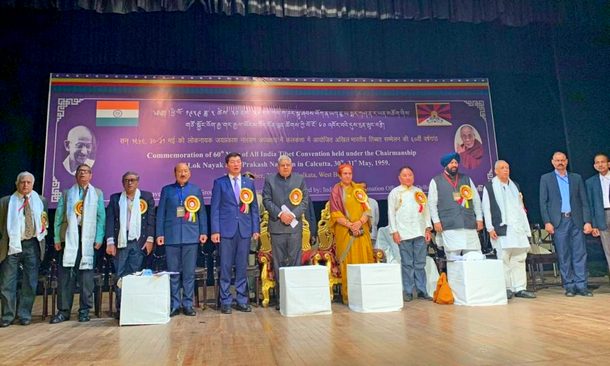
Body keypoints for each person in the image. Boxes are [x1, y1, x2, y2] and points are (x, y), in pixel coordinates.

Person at [50, 164, 105, 323]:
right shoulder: (67, 193)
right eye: (80, 172)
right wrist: (56, 238)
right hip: (68, 237)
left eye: (86, 172)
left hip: (88, 238)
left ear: (91, 175)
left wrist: (99, 238)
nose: (83, 174)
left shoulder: (98, 193)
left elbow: (101, 217)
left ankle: (84, 310)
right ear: (76, 176)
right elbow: (59, 217)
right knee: (66, 275)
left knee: (86, 276)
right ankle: (63, 311)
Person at [211, 153, 260, 314]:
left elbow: (253, 209)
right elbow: (215, 208)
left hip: (244, 230)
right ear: (227, 165)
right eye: (232, 162)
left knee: (241, 266)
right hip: (226, 230)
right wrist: (215, 230)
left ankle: (241, 299)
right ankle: (225, 300)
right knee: (225, 266)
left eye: (238, 161)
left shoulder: (248, 183)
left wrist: (255, 229)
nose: (236, 164)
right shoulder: (219, 183)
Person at [156, 162, 208, 317]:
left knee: (189, 273)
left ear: (189, 173)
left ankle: (188, 304)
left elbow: (202, 213)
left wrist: (203, 231)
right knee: (173, 273)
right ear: (175, 173)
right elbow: (161, 214)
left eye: (185, 171)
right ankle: (174, 304)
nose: (183, 174)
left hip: (191, 236)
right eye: (180, 171)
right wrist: (159, 234)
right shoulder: (167, 190)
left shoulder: (196, 190)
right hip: (171, 237)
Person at [540, 151, 593, 297]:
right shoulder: (546, 179)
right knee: (564, 254)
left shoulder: (576, 178)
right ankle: (569, 286)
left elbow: (584, 202)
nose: (560, 162)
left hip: (576, 220)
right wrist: (547, 222)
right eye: (557, 160)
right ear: (552, 162)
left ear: (567, 161)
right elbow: (543, 203)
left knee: (580, 253)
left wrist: (587, 221)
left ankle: (581, 285)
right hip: (559, 221)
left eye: (562, 160)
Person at [482, 160, 536, 299]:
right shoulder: (489, 187)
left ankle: (520, 288)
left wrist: (525, 227)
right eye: (502, 168)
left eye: (507, 167)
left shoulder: (514, 186)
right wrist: (490, 228)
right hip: (501, 228)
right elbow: (486, 209)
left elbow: (520, 207)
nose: (506, 170)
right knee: (504, 258)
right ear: (496, 171)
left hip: (517, 228)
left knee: (519, 258)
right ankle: (507, 288)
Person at [105, 171, 156, 319]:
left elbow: (151, 220)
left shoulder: (146, 197)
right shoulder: (115, 199)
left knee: (134, 275)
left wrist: (150, 239)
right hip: (120, 242)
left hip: (139, 242)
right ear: (123, 183)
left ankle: (133, 308)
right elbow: (110, 221)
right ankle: (121, 309)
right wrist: (110, 242)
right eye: (126, 180)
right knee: (120, 276)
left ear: (138, 182)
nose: (130, 183)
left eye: (133, 180)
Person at [0, 172, 48, 327]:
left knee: (30, 281)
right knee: (7, 282)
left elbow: (43, 221)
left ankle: (24, 314)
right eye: (22, 182)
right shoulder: (6, 202)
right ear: (17, 183)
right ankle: (7, 316)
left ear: (33, 184)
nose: (25, 185)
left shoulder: (41, 201)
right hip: (12, 245)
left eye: (28, 182)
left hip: (32, 245)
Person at [262, 155, 309, 309]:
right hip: (277, 228)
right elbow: (266, 200)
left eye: (288, 165)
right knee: (279, 264)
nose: (285, 167)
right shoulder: (270, 180)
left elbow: (304, 201)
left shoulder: (299, 179)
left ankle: (294, 299)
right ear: (278, 167)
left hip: (294, 228)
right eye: (282, 165)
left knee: (295, 262)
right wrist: (281, 214)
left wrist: (293, 215)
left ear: (292, 166)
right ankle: (282, 299)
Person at [329, 163, 374, 304]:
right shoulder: (336, 191)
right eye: (345, 174)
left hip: (361, 231)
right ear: (339, 175)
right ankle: (350, 296)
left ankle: (366, 294)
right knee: (349, 262)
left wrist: (359, 223)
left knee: (364, 259)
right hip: (345, 232)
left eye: (350, 173)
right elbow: (335, 213)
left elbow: (367, 210)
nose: (348, 176)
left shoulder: (359, 190)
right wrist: (350, 225)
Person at [387, 166, 432, 302]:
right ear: (399, 178)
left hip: (419, 232)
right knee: (407, 263)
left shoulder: (418, 192)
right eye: (405, 175)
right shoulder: (395, 193)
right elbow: (391, 213)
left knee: (420, 263)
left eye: (410, 175)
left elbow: (426, 211)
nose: (408, 178)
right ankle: (407, 291)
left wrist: (427, 229)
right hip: (403, 233)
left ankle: (422, 290)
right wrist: (394, 231)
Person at [428, 152, 483, 259]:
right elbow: (432, 203)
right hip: (449, 226)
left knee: (474, 257)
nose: (454, 165)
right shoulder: (436, 181)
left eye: (456, 162)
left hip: (468, 224)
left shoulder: (466, 179)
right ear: (446, 165)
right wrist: (436, 221)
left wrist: (479, 219)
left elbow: (476, 200)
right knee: (453, 258)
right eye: (451, 163)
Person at [585, 153, 610, 274]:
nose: (600, 164)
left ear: (608, 164)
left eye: (603, 162)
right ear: (594, 166)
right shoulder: (591, 182)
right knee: (608, 249)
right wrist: (594, 224)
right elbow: (590, 204)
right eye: (597, 162)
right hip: (602, 217)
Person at [361, 182, 379, 246]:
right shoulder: (353, 203)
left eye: (364, 187)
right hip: (359, 236)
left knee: (372, 254)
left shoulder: (373, 202)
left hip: (372, 235)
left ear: (367, 189)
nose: (363, 189)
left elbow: (376, 220)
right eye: (360, 187)